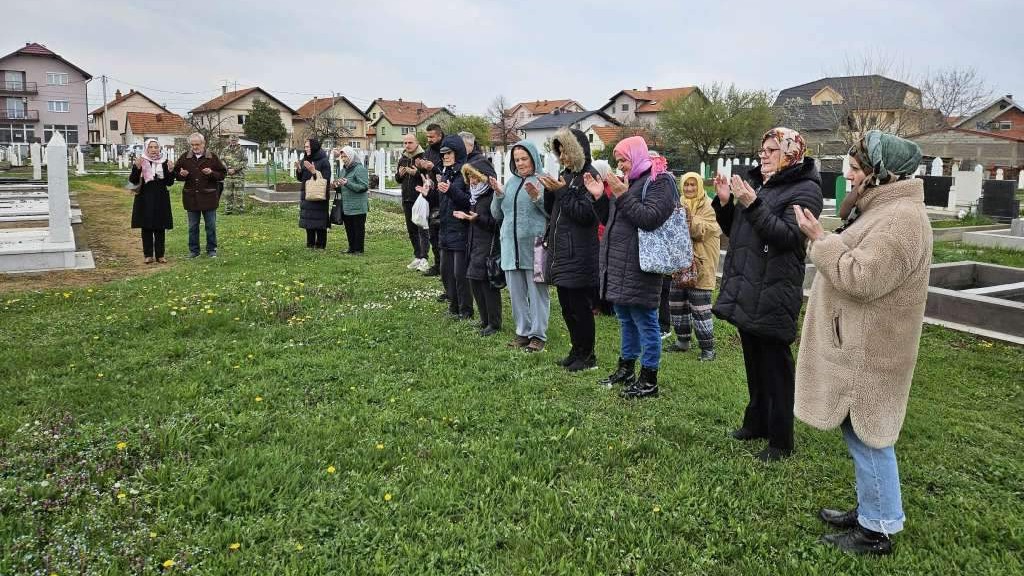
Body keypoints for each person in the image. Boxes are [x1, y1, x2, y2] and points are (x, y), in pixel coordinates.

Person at [793, 131, 931, 555]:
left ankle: (877, 529)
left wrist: (821, 240)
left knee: (871, 438)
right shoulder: (885, 210)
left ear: (881, 174)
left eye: (855, 169)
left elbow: (863, 278)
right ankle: (871, 508)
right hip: (860, 347)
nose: (849, 176)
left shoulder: (902, 219)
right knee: (861, 435)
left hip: (871, 352)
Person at [711, 127, 823, 462]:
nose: (763, 155)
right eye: (762, 149)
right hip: (750, 284)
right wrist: (726, 203)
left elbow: (789, 237)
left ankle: (781, 440)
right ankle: (756, 422)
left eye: (772, 150)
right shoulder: (761, 183)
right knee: (754, 361)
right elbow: (739, 231)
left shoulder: (805, 189)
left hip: (775, 287)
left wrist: (752, 203)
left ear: (790, 153)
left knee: (776, 368)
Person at [584, 136, 676, 398]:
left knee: (646, 322)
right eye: (618, 160)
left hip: (641, 265)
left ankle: (649, 378)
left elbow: (649, 219)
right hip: (620, 263)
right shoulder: (632, 181)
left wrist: (622, 195)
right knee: (625, 319)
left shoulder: (660, 181)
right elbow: (612, 220)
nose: (620, 165)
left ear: (637, 155)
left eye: (623, 159)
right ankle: (626, 369)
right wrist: (600, 198)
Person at [540, 127, 601, 372]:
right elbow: (553, 210)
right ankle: (576, 350)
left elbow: (585, 215)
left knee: (580, 308)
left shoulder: (590, 176)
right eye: (559, 152)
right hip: (562, 252)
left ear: (577, 150)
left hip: (579, 253)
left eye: (566, 151)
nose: (562, 157)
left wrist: (561, 192)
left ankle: (588, 355)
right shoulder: (566, 175)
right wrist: (549, 192)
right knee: (567, 308)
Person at [489, 140, 550, 353]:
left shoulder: (544, 181)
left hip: (534, 247)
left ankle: (538, 335)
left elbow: (551, 213)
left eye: (524, 158)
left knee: (537, 293)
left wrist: (537, 198)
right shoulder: (510, 183)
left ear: (534, 158)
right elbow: (496, 214)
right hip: (510, 248)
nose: (521, 163)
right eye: (517, 160)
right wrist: (498, 194)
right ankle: (523, 331)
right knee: (516, 294)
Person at [666, 172, 721, 361]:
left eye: (693, 184)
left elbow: (706, 231)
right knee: (677, 304)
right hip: (680, 264)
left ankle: (708, 349)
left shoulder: (709, 205)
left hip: (701, 263)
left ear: (699, 186)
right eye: (686, 185)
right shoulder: (678, 202)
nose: (689, 188)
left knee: (700, 308)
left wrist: (689, 219)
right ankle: (682, 342)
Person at [458, 157, 502, 335]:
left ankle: (494, 322)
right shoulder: (475, 196)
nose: (472, 181)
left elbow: (497, 223)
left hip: (488, 245)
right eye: (469, 177)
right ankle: (484, 319)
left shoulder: (492, 196)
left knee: (487, 284)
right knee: (474, 281)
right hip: (475, 244)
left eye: (475, 177)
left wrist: (477, 219)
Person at [436, 135, 473, 319]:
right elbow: (443, 201)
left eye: (448, 153)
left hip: (460, 229)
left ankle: (465, 310)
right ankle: (453, 305)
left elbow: (469, 201)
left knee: (460, 274)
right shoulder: (446, 173)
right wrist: (429, 194)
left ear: (457, 153)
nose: (445, 156)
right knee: (446, 272)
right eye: (443, 154)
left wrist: (451, 190)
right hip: (445, 230)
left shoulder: (466, 173)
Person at [174, 132, 226, 258]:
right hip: (191, 198)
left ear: (203, 144)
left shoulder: (212, 157)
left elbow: (222, 174)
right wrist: (181, 175)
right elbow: (176, 173)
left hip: (209, 197)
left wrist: (211, 173)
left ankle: (211, 249)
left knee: (210, 226)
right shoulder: (185, 157)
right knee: (193, 226)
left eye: (197, 144)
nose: (195, 147)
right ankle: (194, 251)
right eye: (192, 145)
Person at [129, 138, 174, 264]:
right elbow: (133, 180)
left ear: (159, 148)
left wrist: (171, 171)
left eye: (156, 147)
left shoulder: (164, 162)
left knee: (160, 226)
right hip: (145, 197)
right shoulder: (141, 161)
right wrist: (137, 168)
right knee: (146, 226)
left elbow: (169, 183)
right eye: (151, 147)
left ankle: (160, 255)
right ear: (146, 148)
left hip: (160, 197)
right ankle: (148, 255)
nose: (153, 149)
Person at [396, 132, 430, 271]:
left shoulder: (423, 158)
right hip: (407, 198)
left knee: (422, 229)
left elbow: (428, 178)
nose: (407, 145)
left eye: (410, 142)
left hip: (420, 198)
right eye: (405, 143)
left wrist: (416, 173)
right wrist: (400, 175)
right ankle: (417, 255)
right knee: (411, 230)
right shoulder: (402, 159)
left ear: (417, 143)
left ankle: (424, 258)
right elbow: (398, 179)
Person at [417, 123, 445, 277]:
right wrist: (420, 166)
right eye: (427, 137)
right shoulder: (428, 150)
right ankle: (438, 264)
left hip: (443, 195)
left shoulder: (446, 150)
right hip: (430, 194)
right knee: (433, 233)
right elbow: (426, 169)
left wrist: (433, 167)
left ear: (440, 136)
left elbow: (444, 171)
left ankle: (445, 266)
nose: (429, 139)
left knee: (441, 234)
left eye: (432, 137)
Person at [332, 146, 369, 254]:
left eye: (345, 156)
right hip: (346, 205)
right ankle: (351, 248)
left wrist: (348, 183)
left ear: (351, 156)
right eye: (342, 157)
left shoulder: (359, 169)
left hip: (358, 206)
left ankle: (359, 249)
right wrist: (336, 185)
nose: (343, 159)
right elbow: (342, 186)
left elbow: (364, 187)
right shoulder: (343, 170)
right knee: (349, 228)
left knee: (358, 229)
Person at [296, 138, 332, 249]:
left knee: (319, 221)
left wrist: (314, 172)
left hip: (319, 195)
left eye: (308, 147)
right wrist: (299, 170)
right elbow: (301, 179)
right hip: (307, 194)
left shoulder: (324, 161)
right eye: (305, 147)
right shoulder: (305, 160)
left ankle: (321, 244)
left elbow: (325, 179)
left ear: (314, 147)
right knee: (309, 220)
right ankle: (310, 243)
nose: (306, 149)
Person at [221, 135, 247, 214]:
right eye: (232, 140)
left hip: (239, 175)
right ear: (229, 140)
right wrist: (227, 169)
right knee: (227, 194)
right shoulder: (225, 150)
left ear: (238, 140)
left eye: (235, 140)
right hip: (228, 175)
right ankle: (228, 210)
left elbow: (244, 161)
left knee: (239, 194)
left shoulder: (242, 150)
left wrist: (235, 169)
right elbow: (221, 160)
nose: (233, 141)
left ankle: (240, 210)